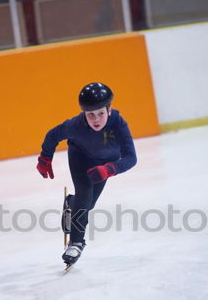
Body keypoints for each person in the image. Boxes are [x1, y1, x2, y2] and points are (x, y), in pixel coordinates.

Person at [36, 82, 137, 265]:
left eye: (100, 113)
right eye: (90, 115)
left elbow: (131, 158)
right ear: (84, 113)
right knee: (84, 193)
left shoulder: (119, 126)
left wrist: (109, 169)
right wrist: (45, 159)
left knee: (87, 205)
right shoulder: (76, 125)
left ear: (109, 110)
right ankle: (76, 243)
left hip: (104, 165)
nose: (96, 119)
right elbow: (52, 135)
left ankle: (71, 204)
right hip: (80, 157)